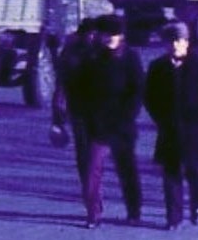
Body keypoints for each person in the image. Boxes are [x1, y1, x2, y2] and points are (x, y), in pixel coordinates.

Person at [59, 14, 144, 227]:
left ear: (121, 36)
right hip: (96, 124)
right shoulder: (92, 58)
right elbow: (77, 88)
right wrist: (80, 114)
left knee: (127, 169)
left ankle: (134, 210)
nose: (109, 39)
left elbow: (137, 91)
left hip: (122, 123)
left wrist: (127, 116)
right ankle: (93, 213)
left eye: (113, 35)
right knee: (92, 170)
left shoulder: (130, 58)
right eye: (105, 34)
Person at [143, 21, 198, 229]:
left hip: (195, 129)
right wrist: (160, 119)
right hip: (169, 129)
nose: (175, 45)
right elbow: (149, 97)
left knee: (196, 171)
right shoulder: (158, 67)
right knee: (170, 174)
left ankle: (197, 206)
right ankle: (173, 217)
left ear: (187, 42)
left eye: (179, 40)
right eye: (170, 41)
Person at [50, 20, 99, 187]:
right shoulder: (71, 52)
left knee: (96, 151)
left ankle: (93, 184)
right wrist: (57, 113)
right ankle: (88, 186)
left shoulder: (102, 51)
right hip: (78, 106)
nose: (90, 37)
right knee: (83, 150)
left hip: (100, 108)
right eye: (87, 34)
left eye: (93, 34)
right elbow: (61, 81)